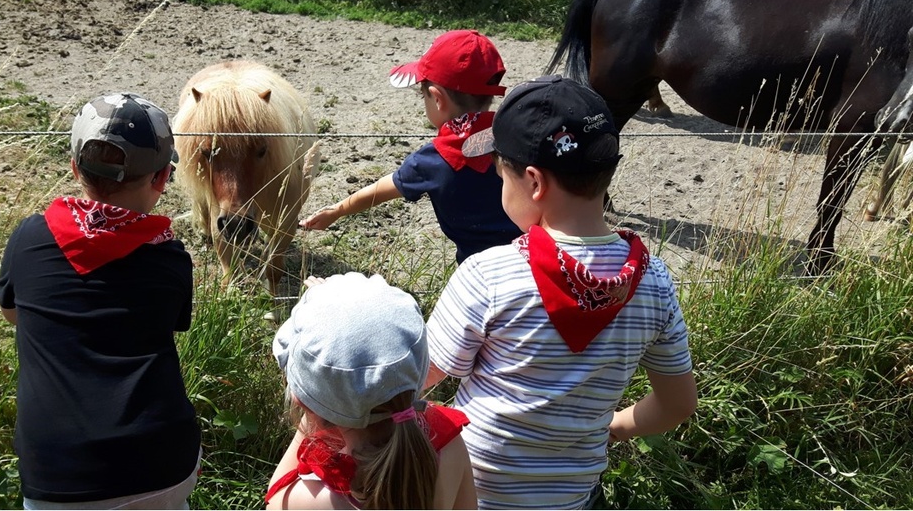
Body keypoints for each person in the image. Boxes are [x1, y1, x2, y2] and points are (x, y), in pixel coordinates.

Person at [424, 76, 698, 509]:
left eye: (501, 177)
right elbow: (678, 403)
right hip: (570, 499)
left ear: (533, 182)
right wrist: (614, 426)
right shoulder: (653, 283)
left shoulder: (489, 276)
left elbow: (417, 378)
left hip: (472, 494)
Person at [0, 93, 201, 509]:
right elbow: (171, 323)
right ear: (162, 178)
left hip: (58, 472)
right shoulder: (169, 258)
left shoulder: (30, 237)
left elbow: (12, 312)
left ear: (75, 168)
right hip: (162, 462)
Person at [299, 29, 521, 263]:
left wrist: (337, 210)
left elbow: (382, 188)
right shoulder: (518, 139)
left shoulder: (433, 160)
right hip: (536, 260)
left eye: (422, 96)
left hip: (478, 273)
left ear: (437, 98)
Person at [265, 272, 477, 510]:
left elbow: (275, 499)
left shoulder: (316, 499)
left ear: (301, 400)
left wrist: (315, 407)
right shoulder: (446, 443)